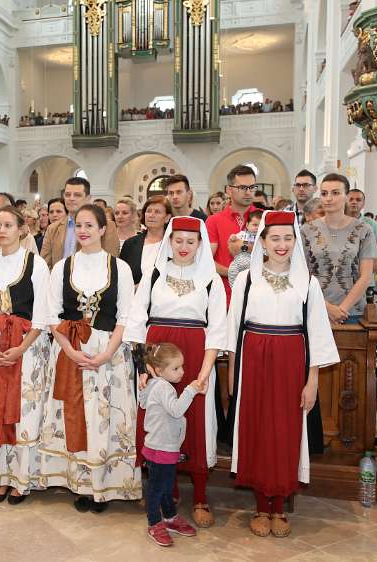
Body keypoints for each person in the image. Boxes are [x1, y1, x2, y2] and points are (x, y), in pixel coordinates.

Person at [227, 211, 339, 538]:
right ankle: (262, 505)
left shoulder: (308, 282)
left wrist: (313, 381)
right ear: (262, 241)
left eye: (287, 238)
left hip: (292, 363)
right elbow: (234, 328)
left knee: (286, 431)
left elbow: (316, 332)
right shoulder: (247, 279)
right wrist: (234, 372)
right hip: (253, 362)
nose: (281, 244)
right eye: (274, 238)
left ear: (295, 242)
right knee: (258, 429)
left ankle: (280, 506)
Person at [125, 216, 226, 528]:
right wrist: (143, 366)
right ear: (169, 241)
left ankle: (199, 496)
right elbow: (138, 319)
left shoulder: (211, 279)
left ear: (200, 244)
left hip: (194, 359)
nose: (184, 247)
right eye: (178, 240)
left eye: (190, 241)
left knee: (194, 421)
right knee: (158, 421)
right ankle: (164, 491)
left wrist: (205, 372)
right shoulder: (154, 273)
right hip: (157, 355)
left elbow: (218, 330)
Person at [39, 204, 140, 512]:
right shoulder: (63, 267)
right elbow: (51, 313)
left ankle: (106, 486)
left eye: (89, 225)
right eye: (78, 225)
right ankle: (81, 485)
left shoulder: (119, 267)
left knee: (105, 418)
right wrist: (70, 350)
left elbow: (126, 314)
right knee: (76, 415)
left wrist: (107, 352)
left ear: (102, 229)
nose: (83, 230)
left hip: (110, 351)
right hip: (70, 348)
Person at [0, 206, 51, 504]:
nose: (1, 230)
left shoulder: (36, 264)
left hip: (27, 346)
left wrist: (21, 347)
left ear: (22, 229)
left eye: (8, 225)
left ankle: (21, 479)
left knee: (23, 410)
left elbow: (42, 315)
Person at [139, 343, 207, 546]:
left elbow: (143, 402)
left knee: (167, 487)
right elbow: (176, 410)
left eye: (182, 367)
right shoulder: (163, 387)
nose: (182, 372)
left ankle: (169, 518)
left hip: (165, 448)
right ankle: (154, 523)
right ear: (159, 370)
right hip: (160, 448)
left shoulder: (156, 384)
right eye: (176, 368)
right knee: (156, 489)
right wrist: (190, 391)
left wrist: (146, 382)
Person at [300, 174, 376, 324]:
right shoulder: (306, 230)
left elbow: (366, 276)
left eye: (335, 193)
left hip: (352, 312)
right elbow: (302, 274)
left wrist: (341, 310)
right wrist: (327, 308)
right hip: (315, 308)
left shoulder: (364, 230)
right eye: (324, 193)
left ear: (347, 196)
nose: (328, 198)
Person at [205, 165, 259, 301]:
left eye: (252, 187)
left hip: (257, 294)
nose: (248, 192)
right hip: (224, 296)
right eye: (242, 188)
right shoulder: (213, 220)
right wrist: (235, 273)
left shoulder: (265, 218)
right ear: (229, 190)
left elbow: (273, 256)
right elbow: (206, 260)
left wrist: (245, 246)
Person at [40, 177, 119, 268]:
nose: (71, 198)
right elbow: (45, 264)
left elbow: (110, 263)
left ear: (88, 198)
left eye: (77, 195)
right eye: (67, 194)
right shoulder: (53, 228)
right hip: (59, 279)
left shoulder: (107, 226)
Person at [120, 196, 173, 285]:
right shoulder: (130, 244)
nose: (151, 215)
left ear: (167, 217)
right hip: (134, 296)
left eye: (157, 212)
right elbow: (121, 275)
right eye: (148, 211)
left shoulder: (173, 244)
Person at [346, 189, 377, 284]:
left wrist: (364, 276)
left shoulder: (371, 224)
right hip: (340, 280)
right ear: (345, 201)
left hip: (364, 280)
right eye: (351, 199)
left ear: (363, 204)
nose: (354, 202)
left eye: (358, 200)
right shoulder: (337, 222)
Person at [227, 210, 263, 287]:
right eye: (254, 225)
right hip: (238, 261)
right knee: (232, 271)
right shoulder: (242, 234)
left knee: (250, 280)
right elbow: (232, 241)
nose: (257, 228)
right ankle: (234, 289)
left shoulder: (261, 238)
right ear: (247, 225)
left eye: (260, 226)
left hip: (252, 263)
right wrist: (232, 237)